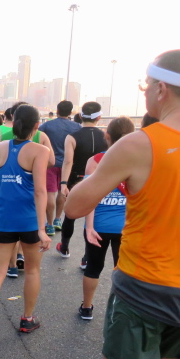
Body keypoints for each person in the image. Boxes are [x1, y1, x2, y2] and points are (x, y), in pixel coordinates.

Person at [64, 50, 180, 359]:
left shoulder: (140, 143)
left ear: (161, 89)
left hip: (143, 288)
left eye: (146, 86)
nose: (145, 93)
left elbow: (75, 206)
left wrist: (87, 180)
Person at [0, 104, 51, 346]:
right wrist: (42, 228)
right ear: (37, 125)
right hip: (29, 221)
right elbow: (40, 191)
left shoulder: (0, 148)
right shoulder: (40, 150)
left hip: (3, 218)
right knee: (32, 270)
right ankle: (27, 318)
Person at [78, 116, 135, 321]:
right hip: (126, 227)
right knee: (124, 270)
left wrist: (89, 227)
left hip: (98, 225)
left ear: (107, 136)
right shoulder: (137, 160)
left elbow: (90, 196)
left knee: (93, 267)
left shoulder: (94, 161)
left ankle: (87, 307)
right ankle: (122, 311)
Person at [58, 101, 108, 261]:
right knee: (94, 216)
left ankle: (64, 247)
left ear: (80, 116)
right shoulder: (106, 136)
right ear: (99, 117)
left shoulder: (72, 137)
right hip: (99, 180)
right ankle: (87, 257)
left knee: (70, 215)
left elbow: (68, 161)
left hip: (76, 179)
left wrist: (63, 183)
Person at [38, 101, 81, 236]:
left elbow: (37, 138)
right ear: (70, 112)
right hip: (67, 164)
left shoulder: (47, 125)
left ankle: (50, 225)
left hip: (50, 163)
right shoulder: (77, 127)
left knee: (50, 193)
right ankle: (58, 219)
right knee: (63, 191)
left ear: (57, 110)